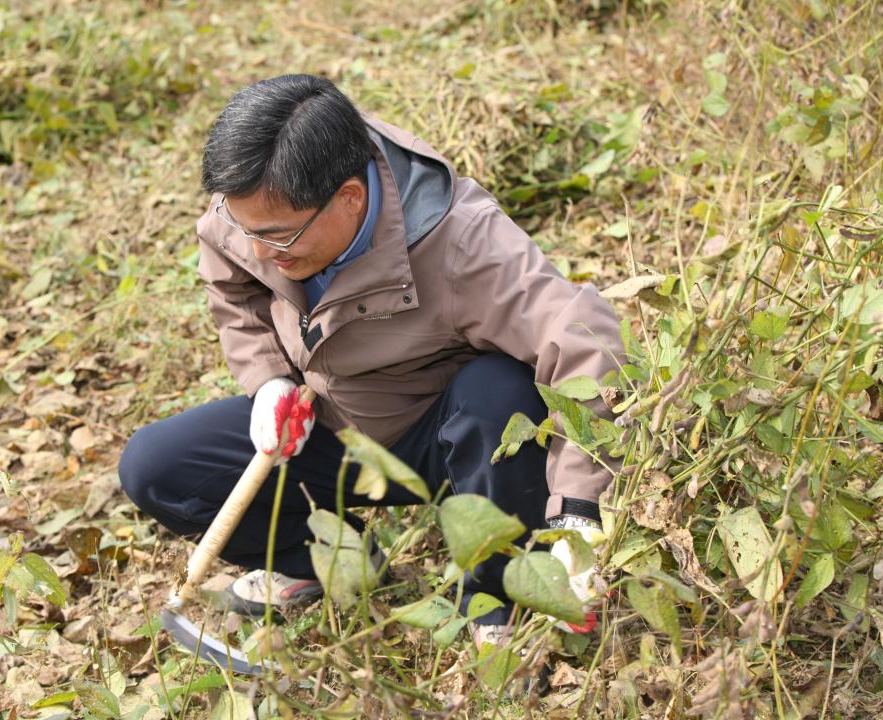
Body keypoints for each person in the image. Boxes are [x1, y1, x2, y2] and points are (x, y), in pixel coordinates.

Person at [119, 74, 624, 646]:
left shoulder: (463, 241)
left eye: (278, 238)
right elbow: (233, 286)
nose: (258, 251)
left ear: (350, 198)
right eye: (245, 229)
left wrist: (578, 509)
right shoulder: (257, 203)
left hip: (451, 440)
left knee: (498, 392)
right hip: (330, 422)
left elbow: (587, 338)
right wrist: (268, 379)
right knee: (156, 468)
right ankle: (334, 561)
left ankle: (496, 600)